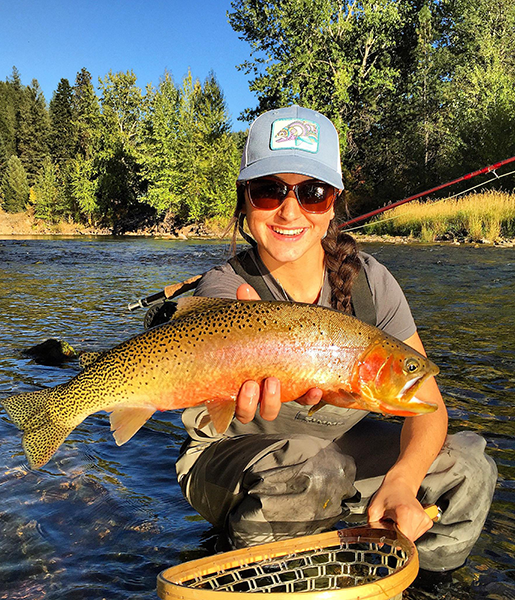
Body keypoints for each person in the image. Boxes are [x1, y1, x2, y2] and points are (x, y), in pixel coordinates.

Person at [174, 105, 497, 572]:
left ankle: (410, 576)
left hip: (339, 452)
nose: (290, 210)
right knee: (314, 471)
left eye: (312, 192)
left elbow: (430, 407)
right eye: (269, 191)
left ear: (333, 204)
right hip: (229, 458)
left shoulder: (370, 283)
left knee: (469, 467)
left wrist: (404, 481)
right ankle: (264, 565)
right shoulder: (225, 290)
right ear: (245, 199)